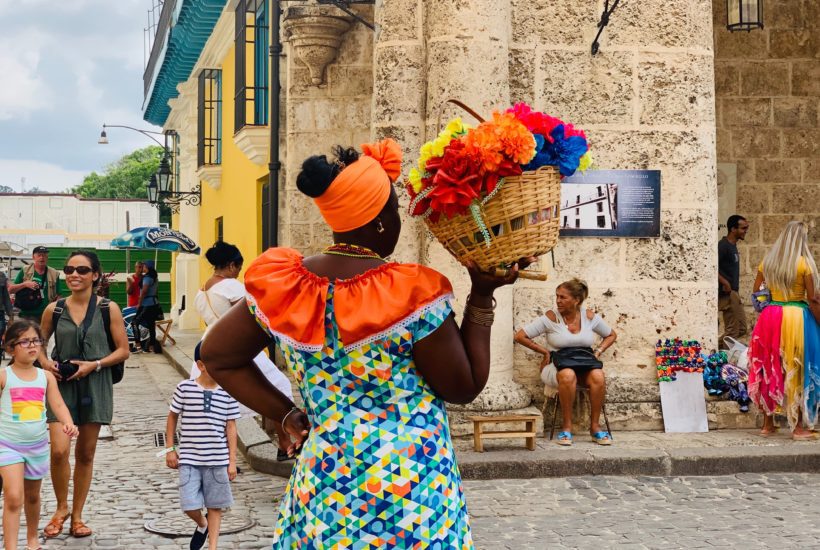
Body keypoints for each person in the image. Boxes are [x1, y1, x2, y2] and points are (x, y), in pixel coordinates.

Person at [200, 139, 530, 548]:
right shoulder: (412, 291)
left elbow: (217, 355)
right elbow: (463, 386)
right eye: (393, 211)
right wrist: (481, 296)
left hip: (326, 485)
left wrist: (285, 413)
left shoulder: (289, 286)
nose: (397, 220)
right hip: (412, 491)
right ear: (377, 222)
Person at [37, 250, 130, 539]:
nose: (74, 274)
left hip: (95, 385)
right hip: (60, 386)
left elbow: (123, 350)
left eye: (81, 269)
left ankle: (77, 516)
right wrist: (45, 364)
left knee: (86, 453)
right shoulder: (54, 309)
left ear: (95, 275)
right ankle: (61, 507)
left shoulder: (108, 309)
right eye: (69, 269)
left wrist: (95, 364)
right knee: (59, 450)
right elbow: (38, 343)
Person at [193, 240, 296, 461]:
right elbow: (254, 316)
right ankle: (284, 443)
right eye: (238, 268)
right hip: (236, 346)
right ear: (231, 266)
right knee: (278, 388)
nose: (238, 273)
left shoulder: (201, 292)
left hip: (208, 346)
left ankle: (214, 455)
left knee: (215, 403)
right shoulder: (232, 287)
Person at [1, 320, 78, 550]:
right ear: (10, 348)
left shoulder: (45, 377)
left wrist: (68, 422)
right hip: (8, 446)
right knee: (14, 496)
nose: (31, 346)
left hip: (37, 447)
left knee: (33, 497)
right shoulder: (4, 377)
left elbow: (58, 405)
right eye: (24, 341)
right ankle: (11, 546)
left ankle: (32, 540)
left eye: (36, 340)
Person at [514, 278, 617, 446]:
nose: (558, 301)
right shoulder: (551, 317)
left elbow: (611, 334)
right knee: (568, 375)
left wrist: (598, 351)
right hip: (557, 366)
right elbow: (520, 336)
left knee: (598, 375)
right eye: (557, 296)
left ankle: (595, 427)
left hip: (584, 364)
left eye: (563, 297)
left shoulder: (589, 316)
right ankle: (566, 428)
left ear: (576, 300)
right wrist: (544, 351)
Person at [748, 221, 820, 439]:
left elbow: (757, 293)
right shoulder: (804, 264)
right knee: (797, 367)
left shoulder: (767, 263)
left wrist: (767, 310)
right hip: (797, 317)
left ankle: (767, 425)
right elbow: (813, 298)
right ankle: (798, 428)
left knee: (770, 366)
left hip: (771, 316)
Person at [165, 342, 239, 550]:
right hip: (189, 459)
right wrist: (171, 449)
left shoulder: (227, 392)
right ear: (201, 365)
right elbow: (172, 417)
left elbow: (231, 427)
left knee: (215, 505)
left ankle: (212, 546)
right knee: (189, 504)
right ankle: (202, 524)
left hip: (218, 460)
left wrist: (232, 461)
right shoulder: (185, 388)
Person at [9, 246, 64, 322]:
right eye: (39, 255)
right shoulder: (25, 270)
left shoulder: (54, 273)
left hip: (45, 315)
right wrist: (25, 284)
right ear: (33, 257)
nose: (42, 258)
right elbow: (10, 290)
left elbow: (59, 295)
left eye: (44, 255)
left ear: (47, 257)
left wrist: (54, 311)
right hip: (25, 315)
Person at [718, 215, 750, 349]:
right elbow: (710, 267)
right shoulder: (723, 246)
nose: (745, 231)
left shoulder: (733, 246)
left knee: (742, 329)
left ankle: (714, 347)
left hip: (734, 293)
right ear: (733, 229)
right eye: (743, 228)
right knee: (732, 331)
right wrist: (725, 282)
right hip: (727, 294)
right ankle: (720, 359)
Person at [136, 259, 163, 354]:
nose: (142, 267)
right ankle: (151, 347)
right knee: (151, 326)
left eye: (143, 266)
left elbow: (144, 291)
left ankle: (138, 345)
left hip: (146, 304)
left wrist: (139, 303)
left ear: (147, 267)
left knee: (134, 322)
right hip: (154, 304)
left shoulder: (147, 278)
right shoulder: (154, 277)